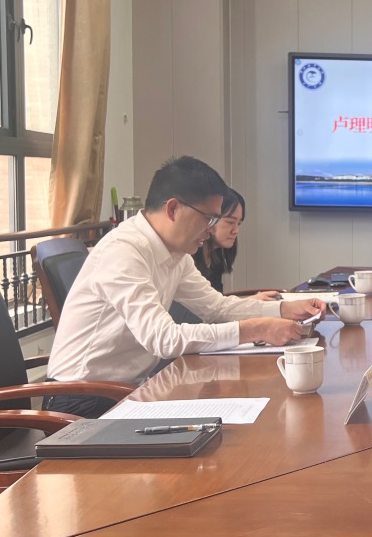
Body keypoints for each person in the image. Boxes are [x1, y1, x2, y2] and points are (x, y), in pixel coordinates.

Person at [45, 156, 328, 416]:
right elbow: (163, 339)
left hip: (128, 390)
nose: (211, 229)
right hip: (82, 400)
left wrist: (285, 309)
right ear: (173, 209)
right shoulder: (124, 251)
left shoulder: (175, 253)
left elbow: (216, 308)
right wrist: (256, 329)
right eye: (209, 218)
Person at [192, 187, 279, 298]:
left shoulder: (215, 259)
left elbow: (215, 304)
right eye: (230, 222)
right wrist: (249, 301)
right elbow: (205, 307)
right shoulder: (188, 261)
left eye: (239, 223)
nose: (236, 231)